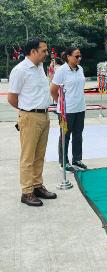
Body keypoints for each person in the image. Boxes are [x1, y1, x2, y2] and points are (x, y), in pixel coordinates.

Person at [8, 38, 57, 206]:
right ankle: (27, 192)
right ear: (33, 51)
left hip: (44, 115)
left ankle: (37, 186)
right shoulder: (20, 70)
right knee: (28, 157)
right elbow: (12, 98)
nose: (46, 53)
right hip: (29, 117)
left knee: (39, 156)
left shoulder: (40, 67)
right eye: (43, 50)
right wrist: (26, 112)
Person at [50, 47, 88, 172]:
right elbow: (53, 90)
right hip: (66, 111)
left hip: (80, 108)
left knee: (78, 135)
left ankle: (77, 159)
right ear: (68, 57)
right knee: (65, 136)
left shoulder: (80, 69)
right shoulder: (62, 71)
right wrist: (59, 104)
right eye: (76, 56)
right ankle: (64, 162)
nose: (79, 58)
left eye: (80, 56)